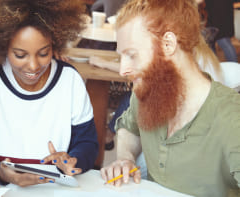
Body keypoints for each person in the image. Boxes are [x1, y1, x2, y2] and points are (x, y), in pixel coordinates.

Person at [99, 0, 240, 196]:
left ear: (168, 45)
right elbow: (128, 127)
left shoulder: (232, 119)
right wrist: (126, 158)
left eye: (132, 55)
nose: (123, 70)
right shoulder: (148, 91)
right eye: (120, 57)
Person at [0, 0, 99, 187]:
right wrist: (0, 171)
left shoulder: (69, 80)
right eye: (20, 55)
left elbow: (88, 144)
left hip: (53, 188)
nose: (34, 66)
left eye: (43, 53)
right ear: (2, 46)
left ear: (55, 44)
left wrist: (74, 160)